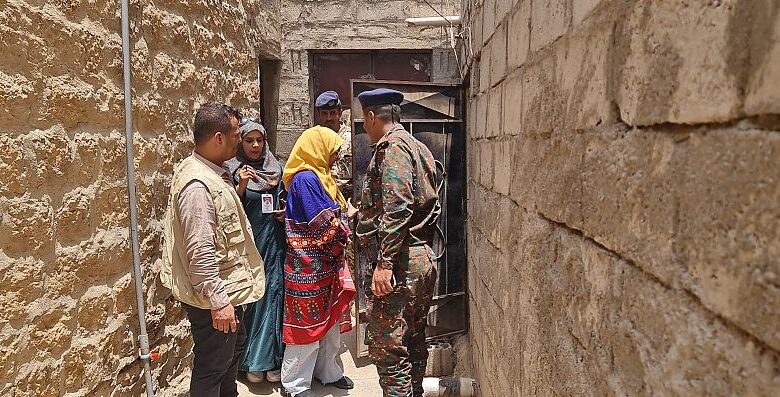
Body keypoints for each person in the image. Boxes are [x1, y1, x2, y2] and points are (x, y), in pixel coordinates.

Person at [160, 102, 266, 397]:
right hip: (214, 300)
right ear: (218, 137)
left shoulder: (213, 173)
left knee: (230, 355)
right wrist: (219, 303)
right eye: (235, 135)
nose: (239, 140)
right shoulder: (197, 185)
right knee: (213, 365)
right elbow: (200, 250)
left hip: (226, 294)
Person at [354, 89, 441, 397]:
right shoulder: (418, 146)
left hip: (401, 263)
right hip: (420, 257)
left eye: (363, 121)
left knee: (389, 351)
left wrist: (384, 264)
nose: (364, 127)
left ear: (371, 117)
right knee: (414, 341)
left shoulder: (392, 148)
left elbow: (399, 206)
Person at [280, 126, 356, 397]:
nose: (336, 156)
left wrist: (342, 216)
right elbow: (325, 226)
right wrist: (348, 218)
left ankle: (328, 373)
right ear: (318, 148)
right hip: (308, 268)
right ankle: (295, 384)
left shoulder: (322, 178)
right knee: (306, 327)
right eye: (333, 150)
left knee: (330, 322)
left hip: (325, 266)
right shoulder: (305, 180)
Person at [224, 117, 286, 384]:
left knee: (275, 296)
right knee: (254, 299)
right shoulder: (232, 170)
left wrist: (285, 213)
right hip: (250, 246)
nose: (255, 145)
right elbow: (229, 210)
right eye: (249, 140)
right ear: (241, 143)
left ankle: (273, 361)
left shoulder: (275, 170)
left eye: (259, 140)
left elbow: (283, 198)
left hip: (275, 241)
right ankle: (252, 361)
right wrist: (241, 186)